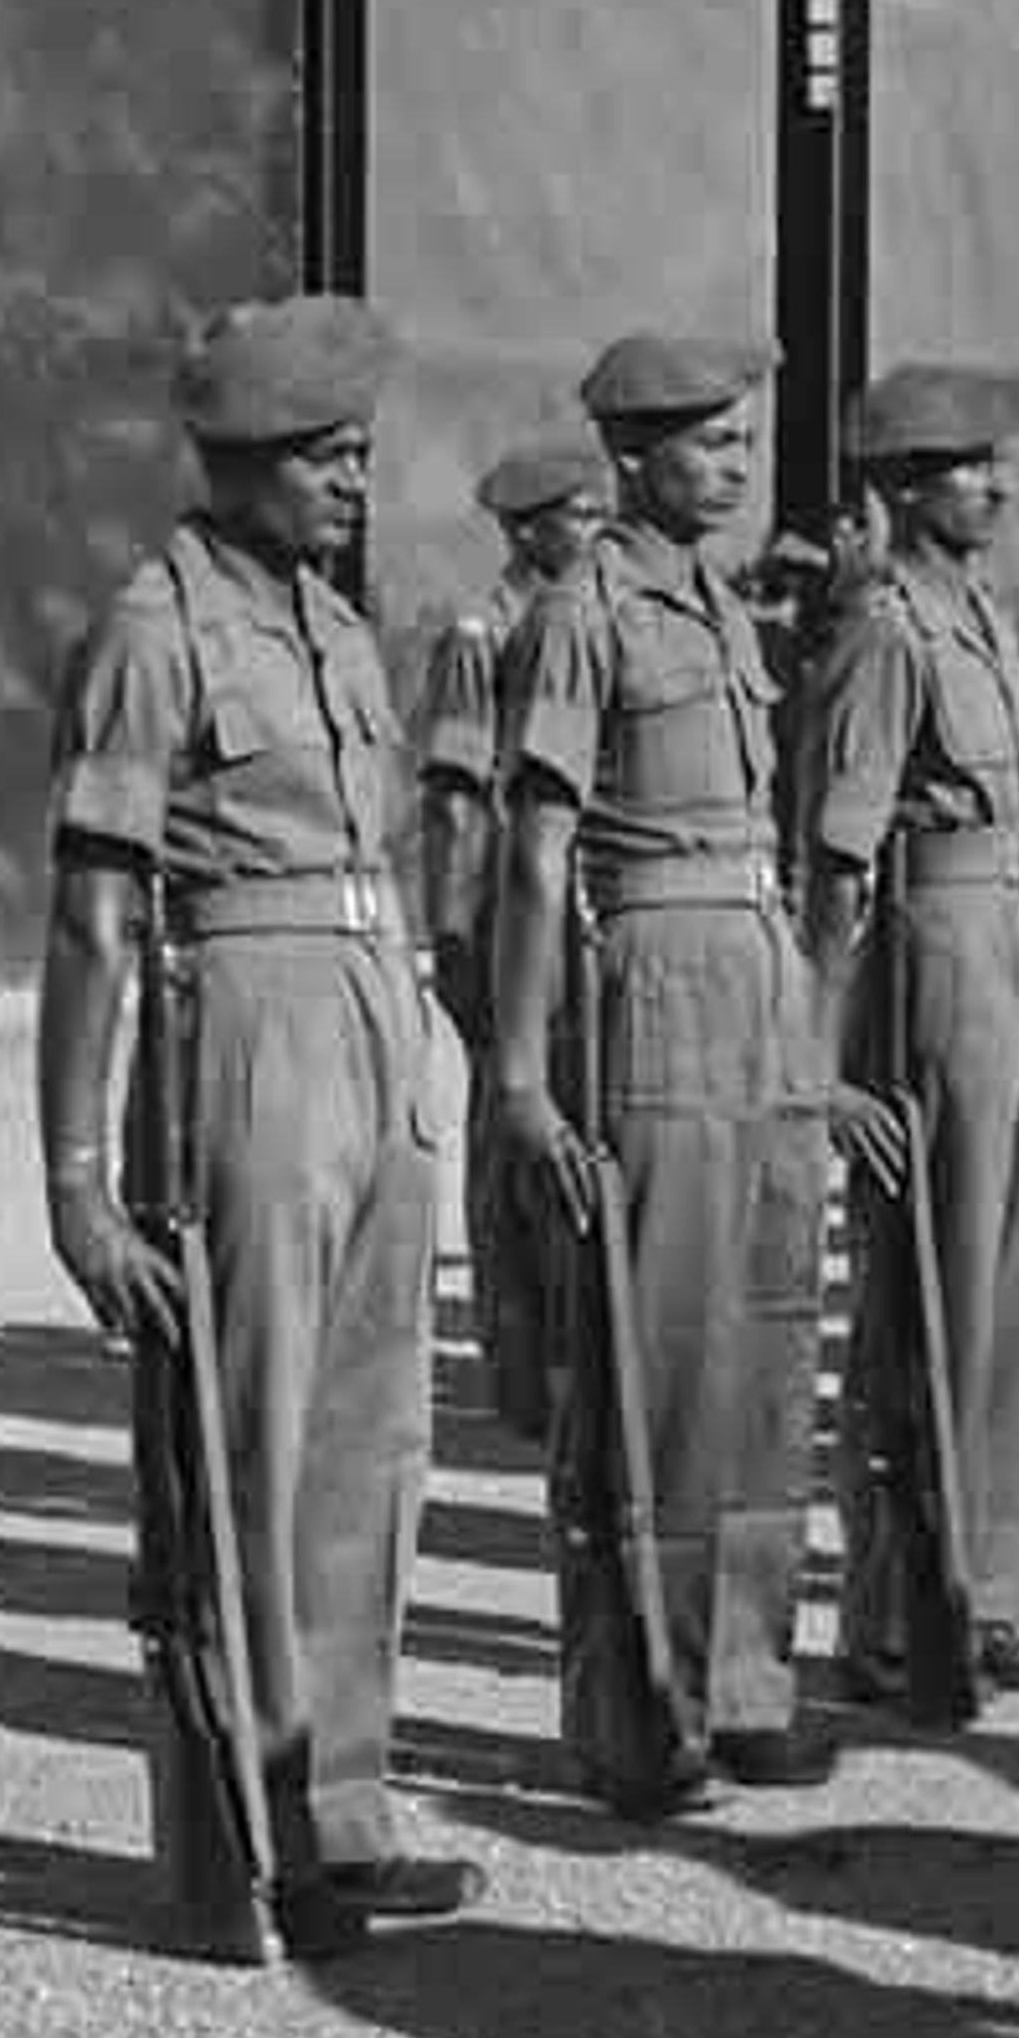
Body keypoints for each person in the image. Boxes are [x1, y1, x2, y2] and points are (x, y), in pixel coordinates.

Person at [42, 296, 481, 1952]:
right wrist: (81, 1181)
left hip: (368, 1017)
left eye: (360, 453)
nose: (354, 483)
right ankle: (234, 1833)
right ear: (236, 461)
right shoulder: (154, 631)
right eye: (323, 456)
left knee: (373, 1440)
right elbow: (90, 914)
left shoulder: (336, 627)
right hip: (246, 1020)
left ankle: (339, 1810)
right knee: (247, 1439)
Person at [486, 336, 875, 1815]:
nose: (734, 464)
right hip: (648, 970)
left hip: (756, 969)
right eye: (709, 444)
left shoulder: (718, 607)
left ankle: (748, 1682)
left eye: (740, 440)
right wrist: (522, 1075)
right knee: (655, 1357)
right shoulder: (583, 614)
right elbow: (531, 851)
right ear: (637, 457)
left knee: (770, 1346)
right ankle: (635, 1707)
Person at [801, 361, 1019, 1700]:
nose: (1002, 483)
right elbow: (835, 860)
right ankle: (895, 1608)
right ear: (913, 483)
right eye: (975, 465)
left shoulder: (978, 612)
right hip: (938, 960)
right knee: (933, 1293)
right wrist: (815, 1052)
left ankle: (993, 1589)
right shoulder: (887, 627)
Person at [413, 428, 608, 1434]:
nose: (597, 529)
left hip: (585, 927)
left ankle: (585, 1349)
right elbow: (453, 801)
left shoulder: (594, 622)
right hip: (507, 918)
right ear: (530, 529)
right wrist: (454, 945)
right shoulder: (482, 636)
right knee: (511, 1151)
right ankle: (528, 1369)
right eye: (579, 515)